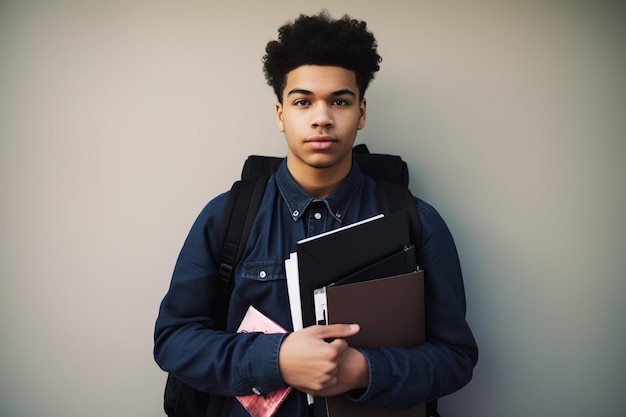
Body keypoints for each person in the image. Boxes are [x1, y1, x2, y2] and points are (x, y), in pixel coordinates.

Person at [154, 10, 478, 417]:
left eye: (339, 101)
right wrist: (277, 359)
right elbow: (173, 340)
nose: (321, 117)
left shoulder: (418, 221)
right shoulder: (226, 217)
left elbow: (456, 357)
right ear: (280, 114)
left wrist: (367, 371)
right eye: (303, 101)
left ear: (361, 113)